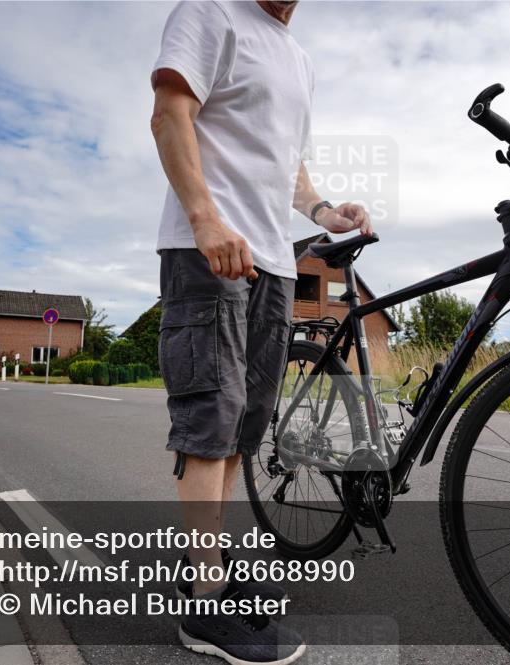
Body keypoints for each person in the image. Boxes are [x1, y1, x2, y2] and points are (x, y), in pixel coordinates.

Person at [150, 1, 372, 663]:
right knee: (209, 415)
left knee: (246, 423)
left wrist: (324, 211)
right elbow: (170, 112)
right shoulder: (210, 12)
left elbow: (289, 165)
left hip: (275, 259)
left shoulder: (297, 58)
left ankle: (205, 565)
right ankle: (205, 605)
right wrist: (203, 218)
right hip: (208, 249)